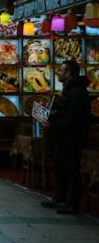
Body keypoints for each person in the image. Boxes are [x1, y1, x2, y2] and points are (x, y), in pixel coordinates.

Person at [41, 60, 91, 214]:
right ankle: (60, 198)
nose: (58, 73)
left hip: (72, 138)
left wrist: (53, 125)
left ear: (69, 73)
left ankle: (73, 204)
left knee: (71, 170)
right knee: (60, 168)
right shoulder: (69, 90)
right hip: (62, 137)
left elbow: (73, 118)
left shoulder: (77, 92)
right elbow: (65, 111)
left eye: (61, 70)